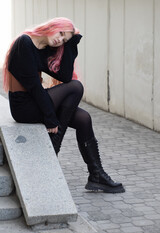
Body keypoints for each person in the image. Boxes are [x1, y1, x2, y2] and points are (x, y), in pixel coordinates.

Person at [3, 17, 125, 194]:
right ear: (52, 26)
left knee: (84, 118)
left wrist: (71, 44)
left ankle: (96, 175)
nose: (60, 39)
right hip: (24, 107)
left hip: (35, 101)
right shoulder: (24, 43)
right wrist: (51, 120)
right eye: (61, 33)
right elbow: (35, 87)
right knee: (76, 88)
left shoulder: (44, 50)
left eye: (64, 39)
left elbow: (66, 76)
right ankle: (54, 146)